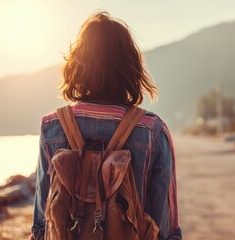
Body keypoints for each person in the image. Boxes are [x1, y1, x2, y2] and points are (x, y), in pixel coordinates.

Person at [29, 12, 182, 240]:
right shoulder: (153, 131)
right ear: (131, 67)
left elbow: (42, 223)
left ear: (77, 66)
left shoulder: (52, 127)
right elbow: (165, 227)